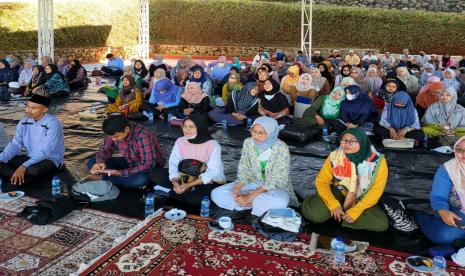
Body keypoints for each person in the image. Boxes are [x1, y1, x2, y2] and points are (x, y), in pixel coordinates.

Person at [301, 128, 389, 232]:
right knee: (314, 215)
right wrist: (333, 204)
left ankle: (340, 218)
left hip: (361, 196)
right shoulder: (335, 155)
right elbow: (322, 181)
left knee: (381, 224)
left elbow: (375, 191)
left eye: (353, 141)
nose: (347, 144)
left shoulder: (378, 162)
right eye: (344, 140)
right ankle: (334, 211)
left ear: (363, 142)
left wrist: (355, 211)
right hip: (339, 189)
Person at [211, 116, 298, 217]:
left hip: (275, 187)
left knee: (281, 201)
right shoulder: (248, 143)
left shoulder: (281, 148)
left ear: (271, 132)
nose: (256, 135)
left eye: (261, 133)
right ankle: (257, 206)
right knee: (216, 193)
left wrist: (250, 196)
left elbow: (277, 178)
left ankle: (248, 204)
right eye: (253, 131)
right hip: (253, 182)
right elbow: (244, 168)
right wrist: (236, 189)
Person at [149, 114, 225, 207]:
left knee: (200, 199)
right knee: (154, 173)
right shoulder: (180, 141)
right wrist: (175, 182)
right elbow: (173, 163)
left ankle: (178, 192)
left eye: (191, 127)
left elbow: (213, 171)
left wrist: (189, 185)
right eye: (184, 126)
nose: (186, 130)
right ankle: (180, 190)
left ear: (200, 127)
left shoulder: (213, 145)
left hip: (204, 181)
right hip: (184, 176)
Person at [0, 94, 64, 185]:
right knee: (3, 159)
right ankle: (18, 178)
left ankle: (15, 176)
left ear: (45, 109)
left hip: (49, 158)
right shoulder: (23, 122)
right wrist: (1, 159)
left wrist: (24, 166)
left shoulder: (53, 123)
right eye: (28, 106)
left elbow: (46, 151)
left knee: (33, 171)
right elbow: (15, 144)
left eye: (33, 108)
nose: (28, 110)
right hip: (30, 157)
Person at [85, 115, 165, 188]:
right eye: (111, 137)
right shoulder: (113, 132)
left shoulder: (143, 136)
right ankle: (112, 178)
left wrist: (119, 173)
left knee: (141, 180)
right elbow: (106, 149)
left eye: (116, 137)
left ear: (127, 129)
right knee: (92, 162)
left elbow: (148, 165)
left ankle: (102, 178)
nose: (113, 139)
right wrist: (100, 162)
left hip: (148, 168)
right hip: (129, 161)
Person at [416, 137, 465, 245]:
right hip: (458, 210)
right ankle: (421, 218)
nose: (463, 154)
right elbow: (438, 196)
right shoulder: (448, 169)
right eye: (459, 149)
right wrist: (443, 211)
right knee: (445, 235)